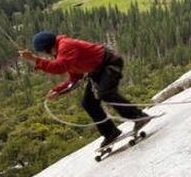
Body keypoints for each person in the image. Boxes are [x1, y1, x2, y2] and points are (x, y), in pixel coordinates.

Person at [19, 32, 150, 148]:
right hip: (98, 71)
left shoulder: (65, 46)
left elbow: (60, 67)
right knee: (88, 103)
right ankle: (110, 132)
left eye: (44, 52)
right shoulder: (61, 52)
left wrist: (34, 60)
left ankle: (138, 116)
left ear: (48, 48)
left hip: (109, 64)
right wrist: (58, 90)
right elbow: (74, 77)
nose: (46, 55)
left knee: (105, 93)